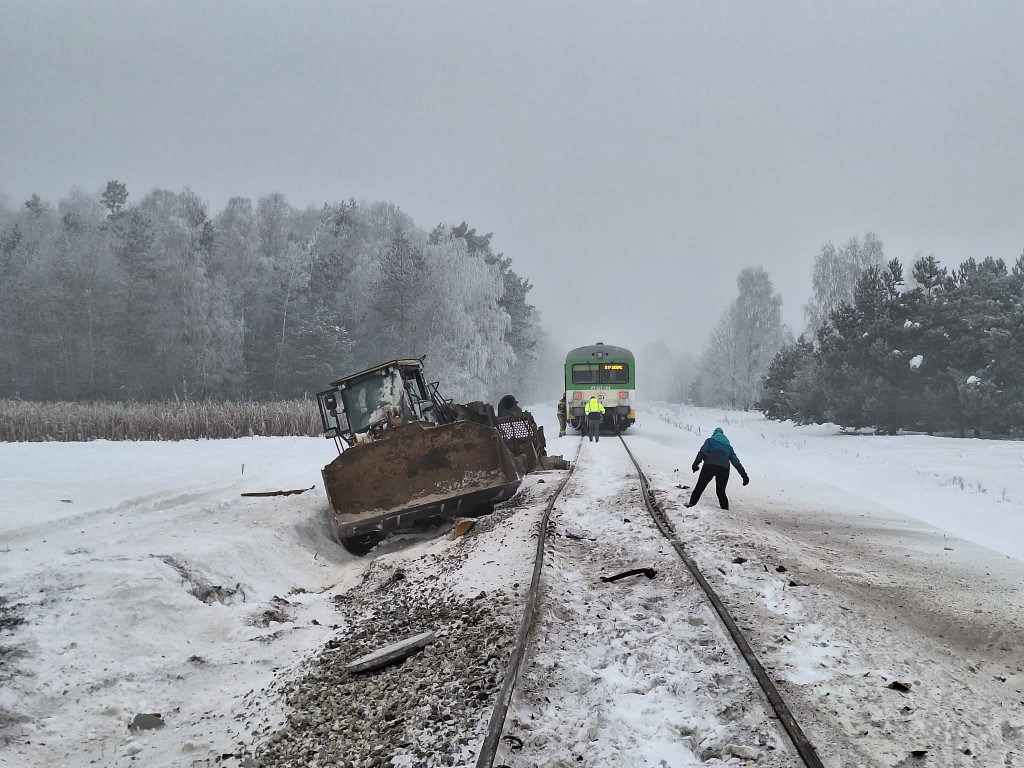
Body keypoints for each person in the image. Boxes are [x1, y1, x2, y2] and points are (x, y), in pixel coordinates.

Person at [685, 427, 748, 510]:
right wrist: (744, 475)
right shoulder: (729, 447)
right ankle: (725, 511)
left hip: (709, 465)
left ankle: (691, 505)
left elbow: (702, 452)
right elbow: (736, 462)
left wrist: (695, 464)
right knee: (721, 491)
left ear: (714, 434)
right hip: (724, 468)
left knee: (700, 486)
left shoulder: (710, 441)